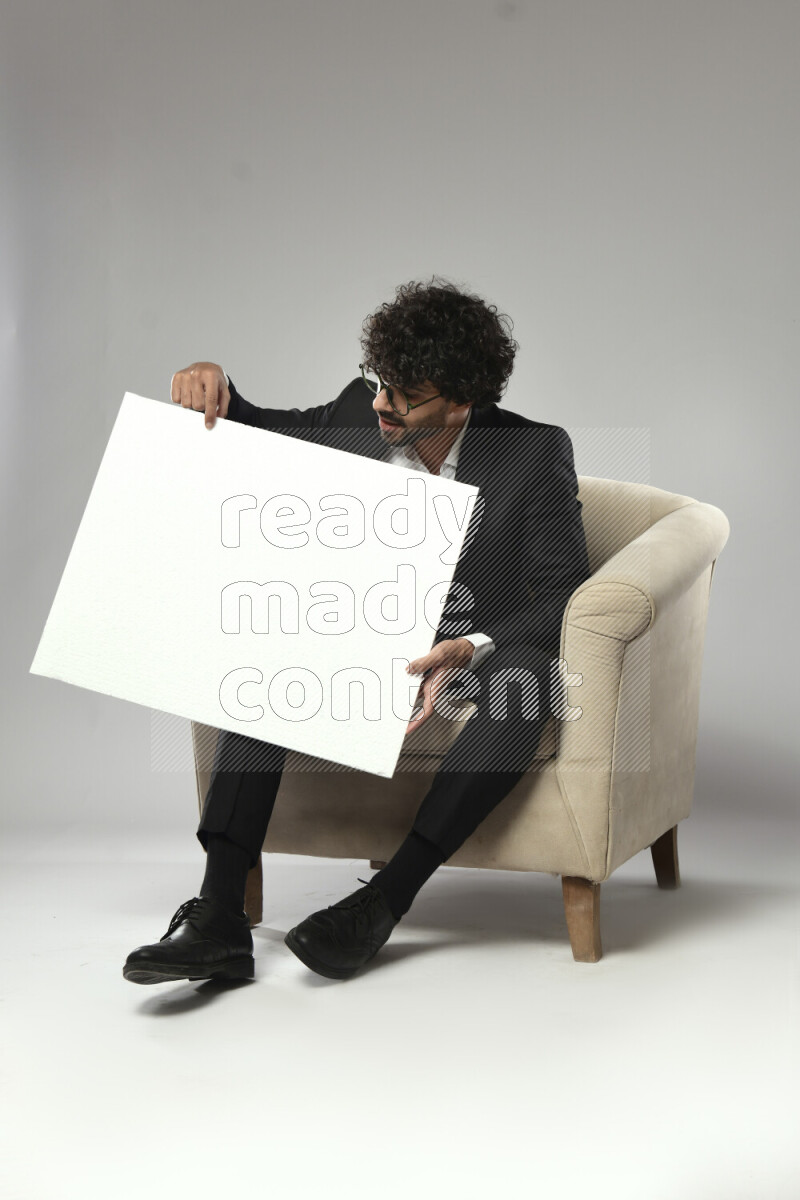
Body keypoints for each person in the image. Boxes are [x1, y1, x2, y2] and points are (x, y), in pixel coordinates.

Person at [123, 277, 591, 985]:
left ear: (461, 399)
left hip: (470, 650)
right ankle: (218, 916)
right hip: (366, 637)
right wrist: (215, 386)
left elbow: (561, 592)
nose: (381, 404)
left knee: (524, 677)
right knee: (274, 651)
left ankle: (383, 900)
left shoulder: (533, 452)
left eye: (406, 395)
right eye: (380, 382)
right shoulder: (355, 413)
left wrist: (468, 647)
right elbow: (259, 427)